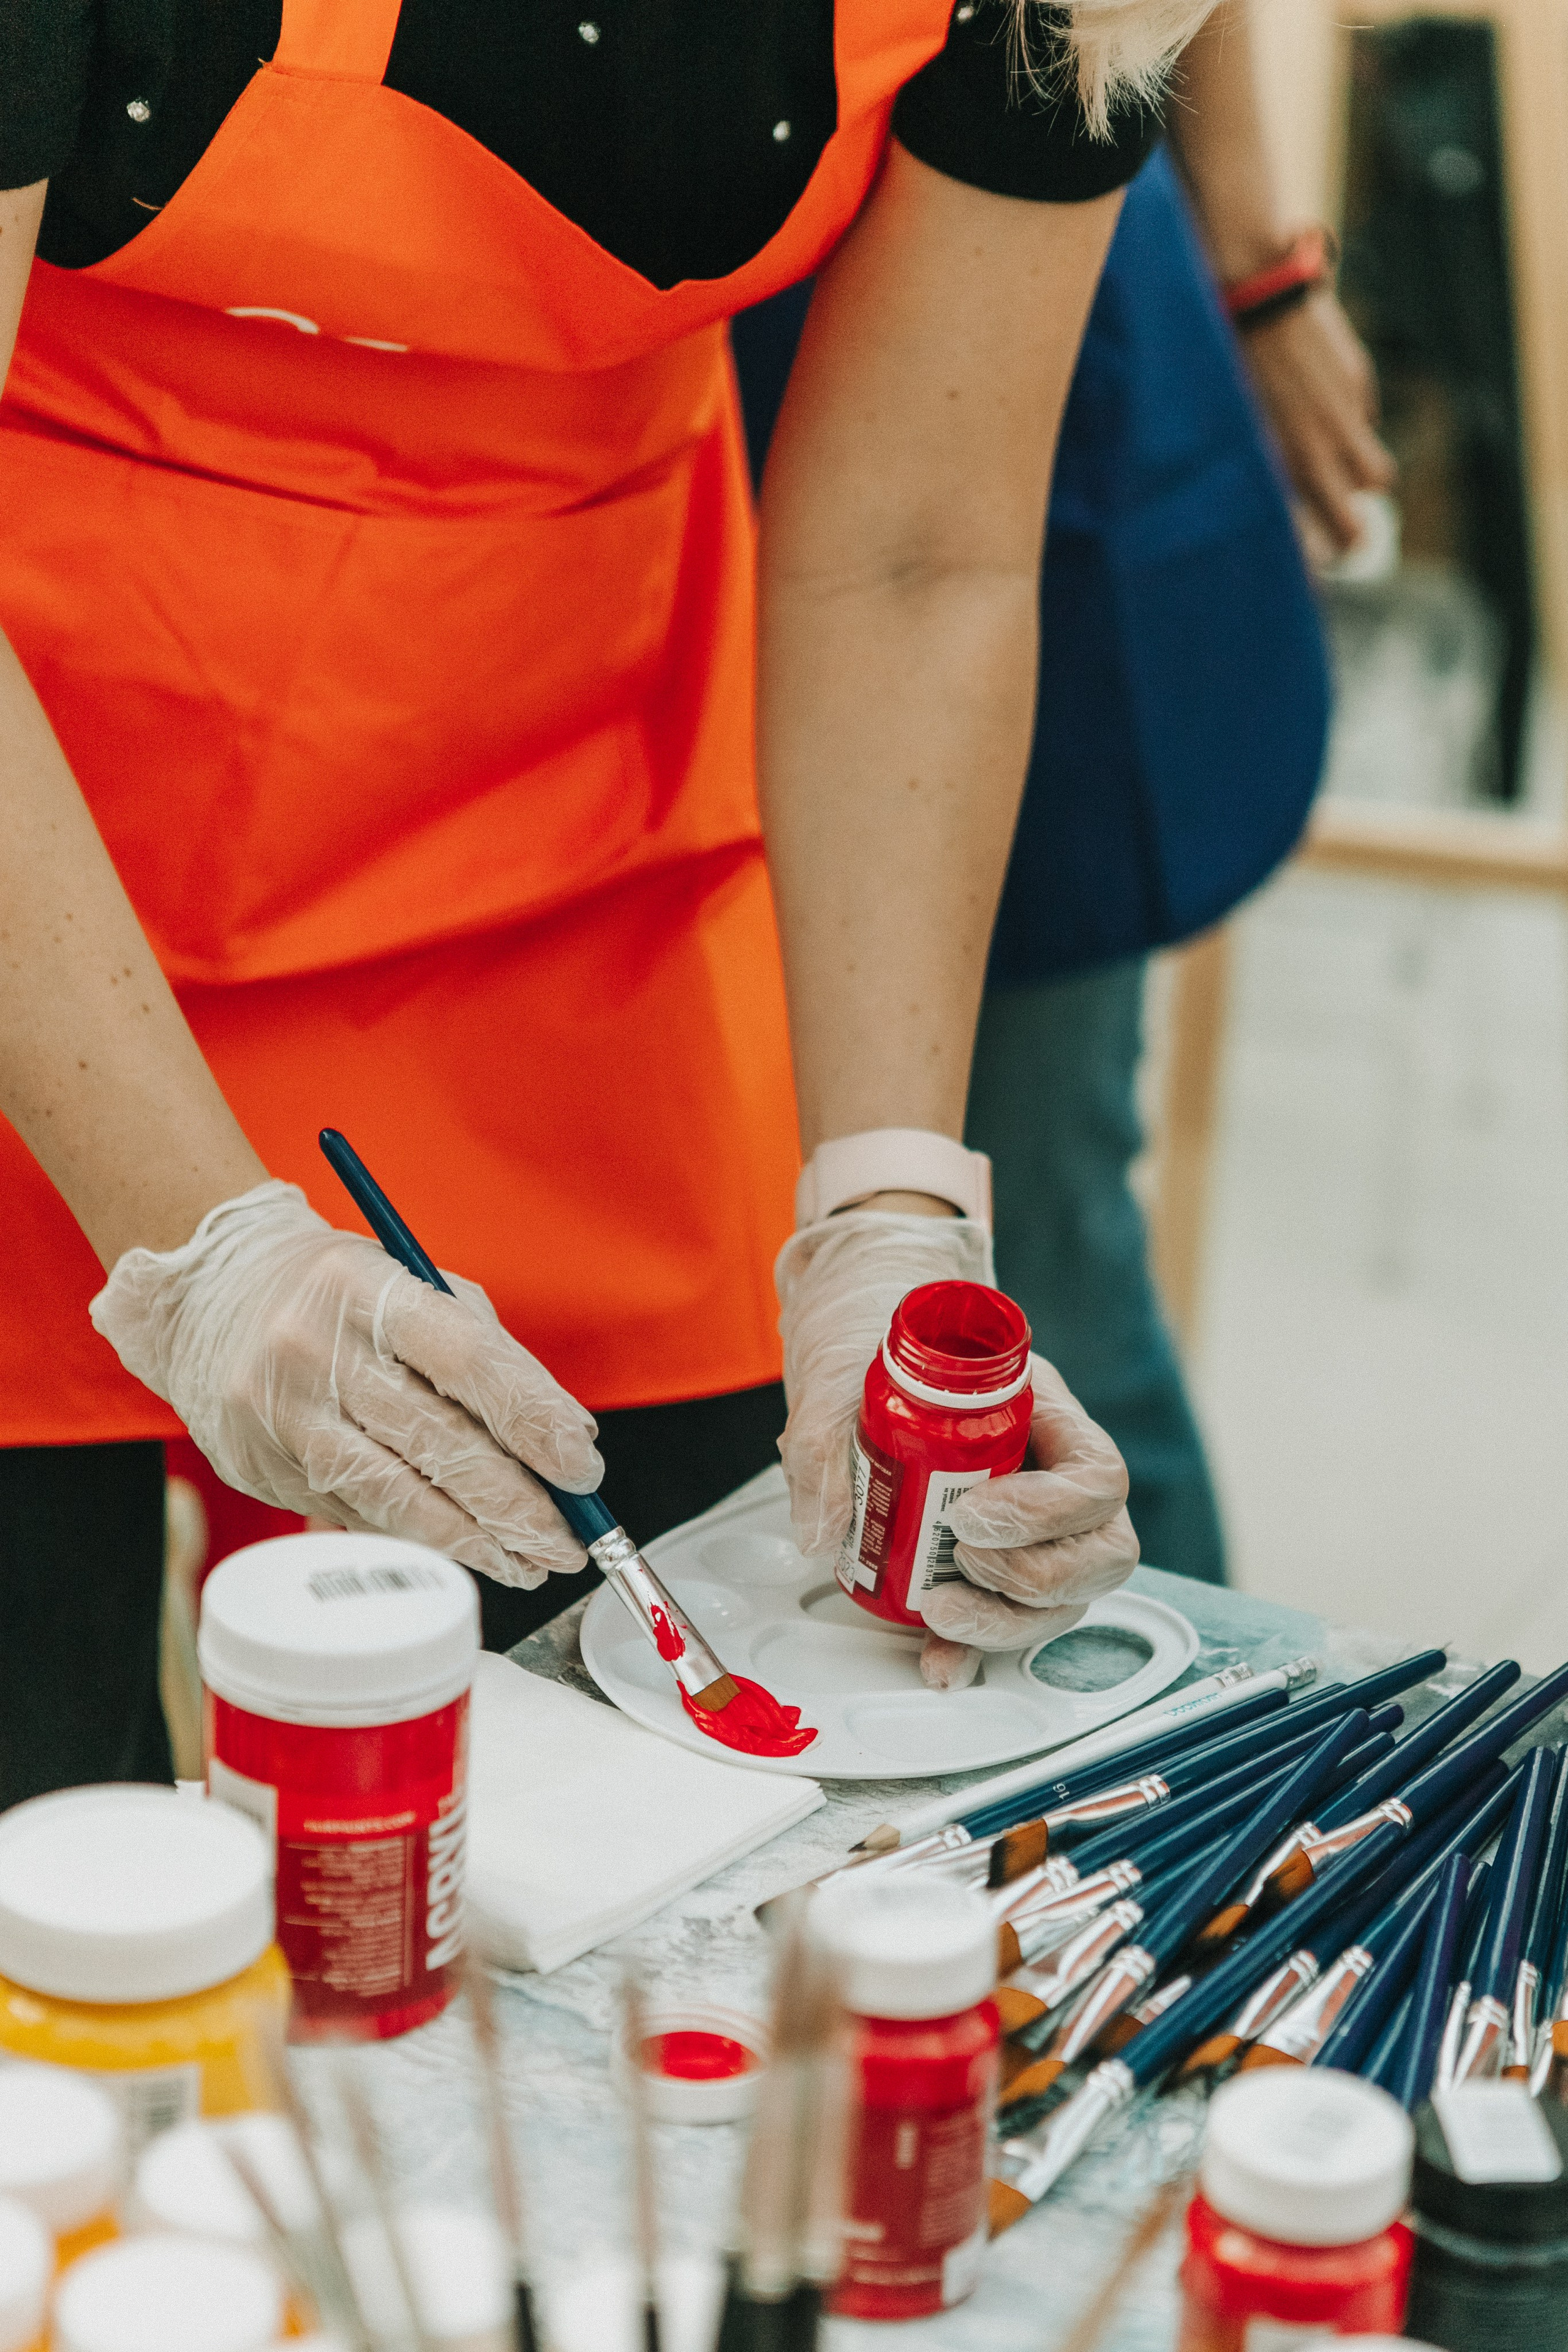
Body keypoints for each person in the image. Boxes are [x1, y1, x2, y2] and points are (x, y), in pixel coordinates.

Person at [0, 0, 1207, 1807]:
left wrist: (889, 1198)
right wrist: (211, 1243)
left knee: (633, 1823)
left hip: (566, 875)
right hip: (42, 871)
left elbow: (915, 551)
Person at [733, 0, 1393, 1591]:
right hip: (634, 402)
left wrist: (1258, 245)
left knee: (1020, 1256)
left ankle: (1202, 1761)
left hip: (1015, 306)